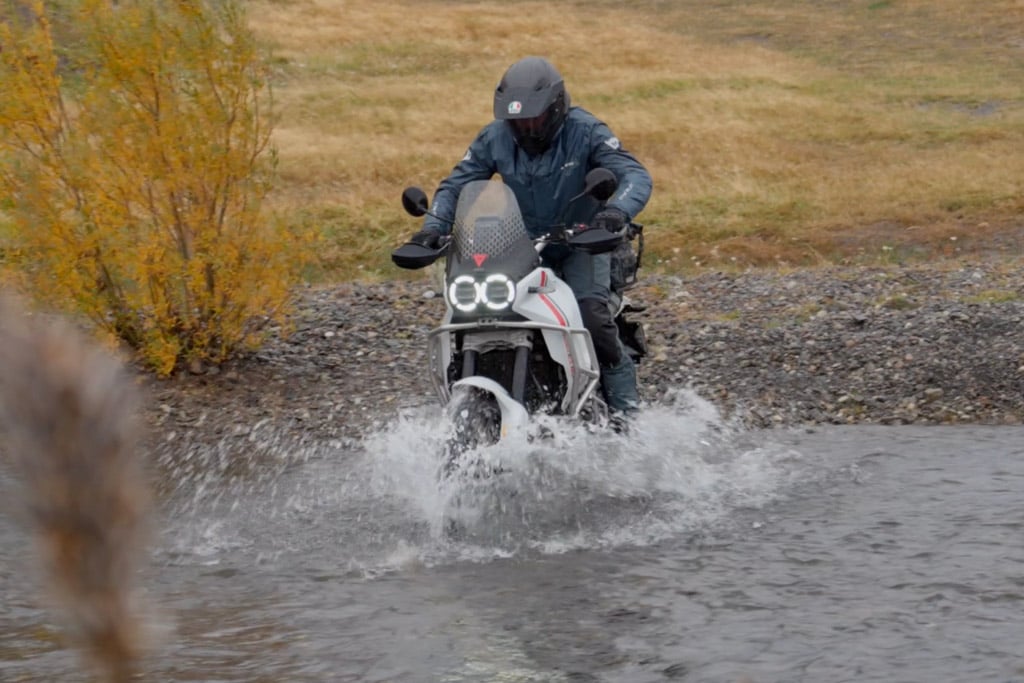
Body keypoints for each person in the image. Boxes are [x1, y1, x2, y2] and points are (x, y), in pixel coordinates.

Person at [407, 56, 653, 416]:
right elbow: (457, 184)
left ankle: (628, 418)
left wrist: (615, 213)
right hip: (521, 247)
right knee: (474, 311)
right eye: (516, 119)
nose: (524, 126)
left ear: (556, 108)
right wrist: (433, 228)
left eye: (533, 117)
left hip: (582, 243)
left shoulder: (586, 132)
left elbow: (634, 175)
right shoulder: (495, 137)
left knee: (591, 315)